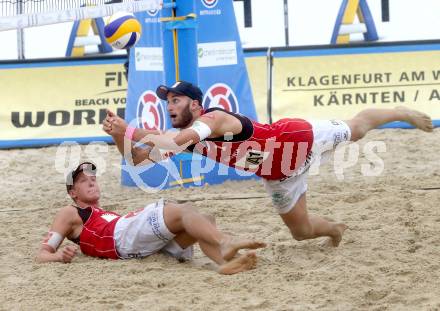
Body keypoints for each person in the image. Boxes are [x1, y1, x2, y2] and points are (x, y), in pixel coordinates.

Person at [102, 80, 434, 247]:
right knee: (301, 232)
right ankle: (336, 229)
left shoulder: (214, 119)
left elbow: (169, 142)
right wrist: (121, 136)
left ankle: (400, 113)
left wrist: (131, 129)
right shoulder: (191, 139)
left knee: (358, 128)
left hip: (297, 138)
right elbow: (140, 161)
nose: (170, 106)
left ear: (196, 104)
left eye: (176, 100)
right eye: (168, 102)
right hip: (277, 172)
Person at [36, 161, 266, 275]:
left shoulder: (103, 213)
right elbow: (42, 254)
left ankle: (225, 264)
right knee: (184, 210)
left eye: (93, 178)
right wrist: (58, 257)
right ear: (73, 193)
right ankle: (225, 242)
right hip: (121, 236)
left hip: (133, 243)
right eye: (83, 180)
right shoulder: (70, 212)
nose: (92, 181)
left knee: (204, 218)